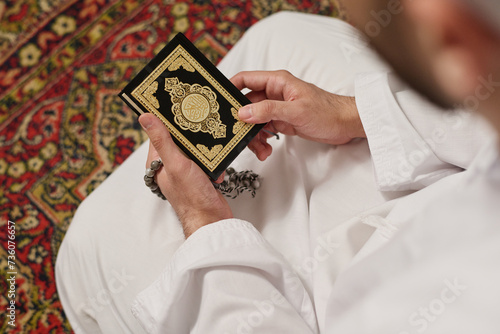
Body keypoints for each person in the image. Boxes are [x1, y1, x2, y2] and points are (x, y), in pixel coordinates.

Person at [55, 4, 498, 333]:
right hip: (441, 183)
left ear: (451, 35)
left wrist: (203, 221)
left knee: (92, 240)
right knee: (279, 34)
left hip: (329, 296)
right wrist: (352, 114)